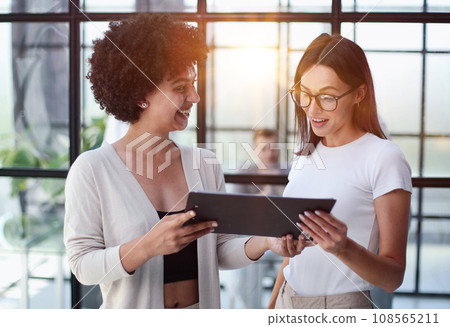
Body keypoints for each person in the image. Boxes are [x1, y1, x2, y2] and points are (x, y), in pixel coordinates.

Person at [64, 13, 305, 309]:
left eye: (193, 84)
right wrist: (148, 246)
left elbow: (218, 250)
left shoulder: (205, 163)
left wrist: (266, 242)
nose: (195, 96)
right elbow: (82, 265)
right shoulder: (93, 169)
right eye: (180, 88)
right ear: (141, 94)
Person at [267, 33, 412, 309]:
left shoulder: (384, 158)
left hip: (341, 307)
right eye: (305, 95)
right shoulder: (305, 157)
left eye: (327, 97)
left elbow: (393, 277)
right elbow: (291, 261)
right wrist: (271, 308)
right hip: (288, 298)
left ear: (359, 93)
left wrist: (343, 247)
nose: (313, 108)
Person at [231, 128, 288, 196]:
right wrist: (268, 189)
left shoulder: (289, 172)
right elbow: (236, 202)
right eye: (263, 149)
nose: (269, 154)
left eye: (274, 148)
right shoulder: (244, 172)